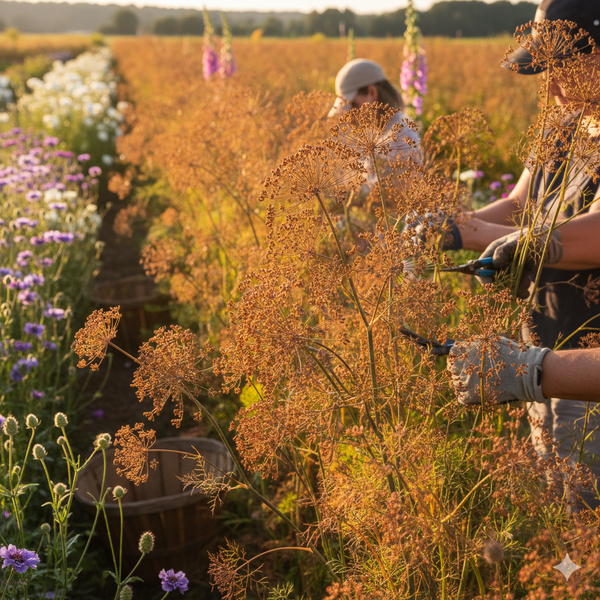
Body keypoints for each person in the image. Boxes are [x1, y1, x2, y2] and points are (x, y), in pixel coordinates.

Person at [445, 0, 600, 510]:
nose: (551, 85)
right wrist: (457, 228)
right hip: (541, 346)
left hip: (587, 361)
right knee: (558, 513)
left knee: (587, 511)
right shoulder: (562, 123)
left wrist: (535, 245)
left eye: (562, 67)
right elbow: (519, 205)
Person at [328, 58, 421, 189]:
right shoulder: (376, 133)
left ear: (372, 93)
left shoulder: (400, 135)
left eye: (353, 105)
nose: (348, 115)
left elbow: (389, 192)